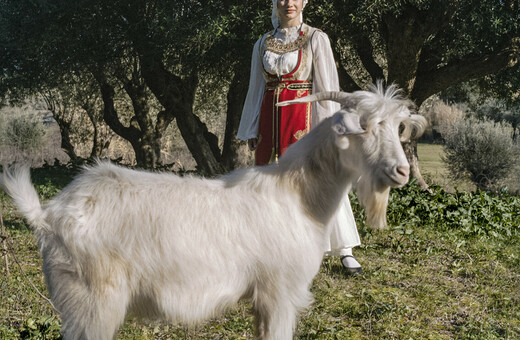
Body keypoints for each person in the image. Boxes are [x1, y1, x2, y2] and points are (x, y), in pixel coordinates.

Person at [237, 0, 362, 274]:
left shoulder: (316, 38)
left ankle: (344, 249)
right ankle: (273, 247)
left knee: (318, 178)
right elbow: (256, 88)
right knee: (269, 183)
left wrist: (332, 129)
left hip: (302, 119)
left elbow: (327, 87)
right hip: (270, 123)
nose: (288, 3)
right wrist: (251, 127)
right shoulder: (263, 43)